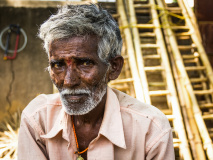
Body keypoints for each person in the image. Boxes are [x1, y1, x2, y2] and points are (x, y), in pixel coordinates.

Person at [17, 4, 174, 160]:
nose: (69, 81)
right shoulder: (37, 120)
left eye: (85, 63)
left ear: (113, 68)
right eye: (58, 65)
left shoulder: (150, 130)